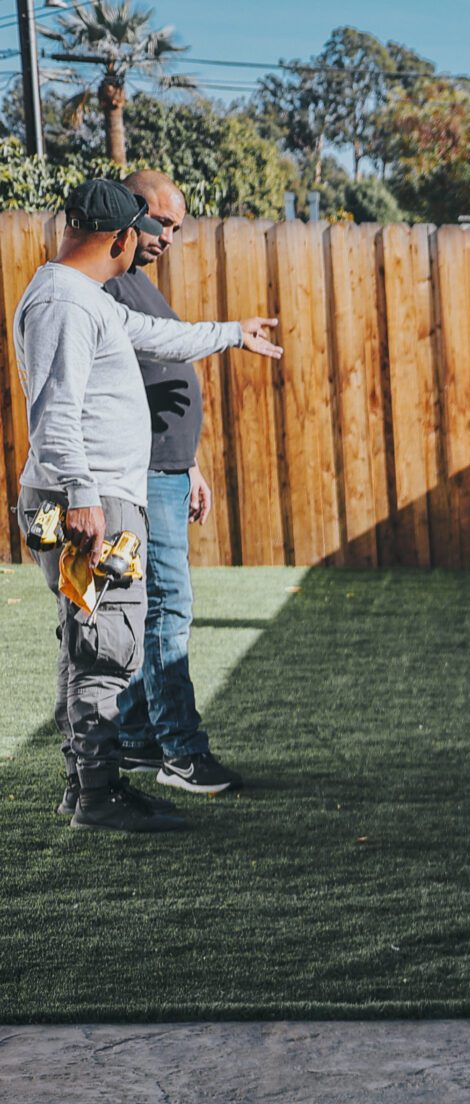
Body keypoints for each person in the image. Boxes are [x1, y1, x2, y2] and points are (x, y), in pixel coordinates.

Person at [12, 177, 279, 833]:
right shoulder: (66, 304)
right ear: (124, 236)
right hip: (90, 503)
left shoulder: (79, 296)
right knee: (107, 642)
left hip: (91, 499)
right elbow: (54, 413)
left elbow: (159, 336)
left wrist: (230, 333)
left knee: (89, 638)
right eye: (150, 232)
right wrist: (82, 498)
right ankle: (99, 795)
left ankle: (88, 787)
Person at [105, 170, 237, 794]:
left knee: (146, 607)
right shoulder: (108, 287)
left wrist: (190, 465)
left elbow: (159, 369)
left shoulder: (139, 285)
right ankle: (182, 753)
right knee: (166, 610)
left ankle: (135, 738)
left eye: (180, 229)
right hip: (144, 475)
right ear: (131, 212)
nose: (170, 239)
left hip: (168, 470)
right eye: (164, 224)